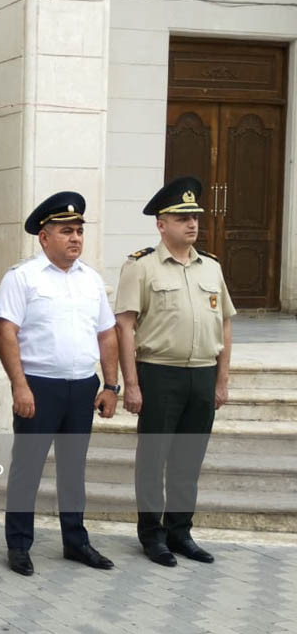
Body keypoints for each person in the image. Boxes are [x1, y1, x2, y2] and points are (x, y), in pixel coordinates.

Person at [0, 192, 119, 576]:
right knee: (27, 468)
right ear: (44, 237)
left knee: (72, 468)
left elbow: (108, 335)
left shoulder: (91, 280)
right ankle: (18, 544)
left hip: (82, 387)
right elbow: (5, 332)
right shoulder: (22, 277)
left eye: (79, 230)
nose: (76, 238)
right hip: (39, 386)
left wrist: (110, 385)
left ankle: (76, 541)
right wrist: (19, 386)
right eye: (67, 231)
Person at [114, 176, 234, 566]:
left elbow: (226, 325)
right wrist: (130, 383)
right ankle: (152, 535)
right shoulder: (141, 267)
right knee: (154, 458)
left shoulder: (211, 268)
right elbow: (125, 326)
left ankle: (181, 532)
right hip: (159, 373)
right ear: (161, 224)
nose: (192, 223)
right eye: (182, 217)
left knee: (188, 459)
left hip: (201, 374)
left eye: (195, 216)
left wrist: (221, 379)